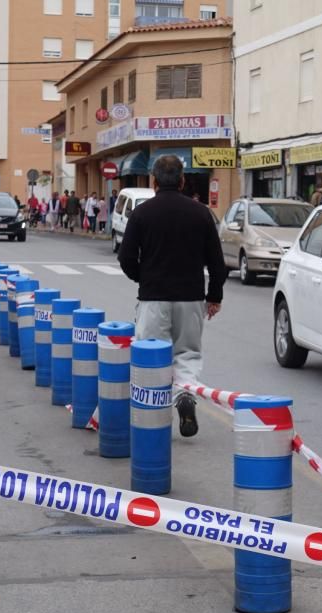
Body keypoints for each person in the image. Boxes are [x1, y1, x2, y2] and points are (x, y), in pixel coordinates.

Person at [118, 155, 227, 438]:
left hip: (153, 298)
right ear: (182, 181)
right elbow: (217, 261)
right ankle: (185, 397)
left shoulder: (142, 213)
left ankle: (151, 419)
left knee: (151, 355)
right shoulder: (201, 213)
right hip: (190, 298)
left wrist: (144, 278)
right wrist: (214, 296)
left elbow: (127, 257)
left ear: (154, 182)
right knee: (187, 353)